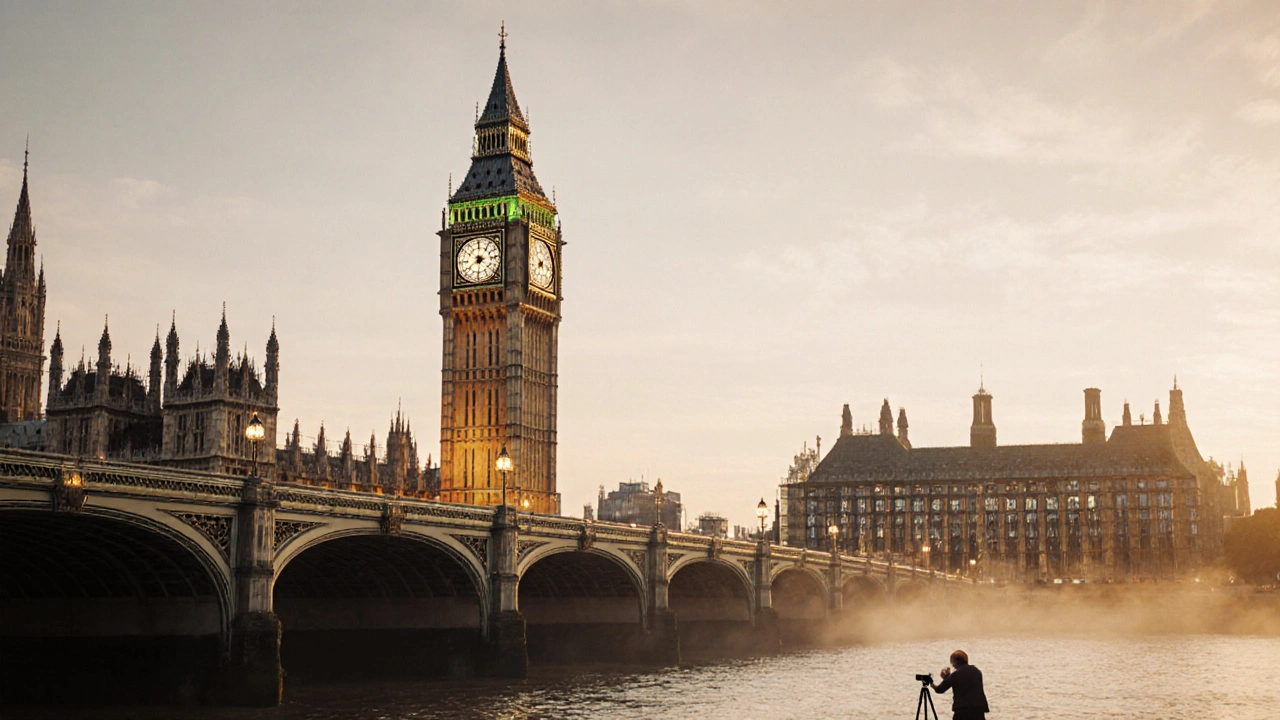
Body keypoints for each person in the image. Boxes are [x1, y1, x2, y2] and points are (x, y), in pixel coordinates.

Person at [931, 649, 989, 720]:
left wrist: (931, 683)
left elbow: (940, 689)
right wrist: (948, 678)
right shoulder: (977, 671)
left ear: (954, 661)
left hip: (963, 711)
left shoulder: (956, 674)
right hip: (979, 709)